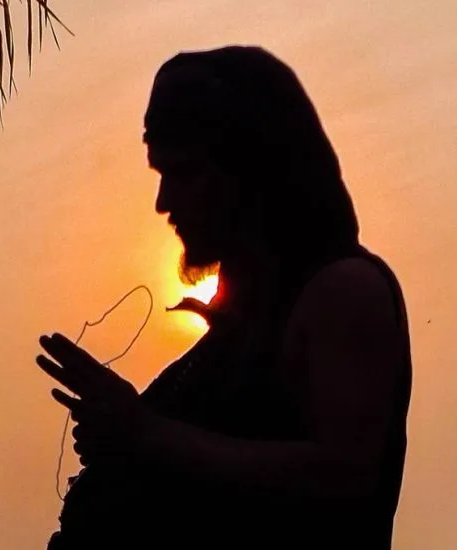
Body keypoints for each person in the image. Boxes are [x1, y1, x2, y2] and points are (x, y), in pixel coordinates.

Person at [36, 45, 412, 549]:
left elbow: (343, 480)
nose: (164, 201)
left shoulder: (343, 291)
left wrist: (146, 434)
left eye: (185, 173)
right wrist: (123, 441)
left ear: (251, 170)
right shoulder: (237, 330)